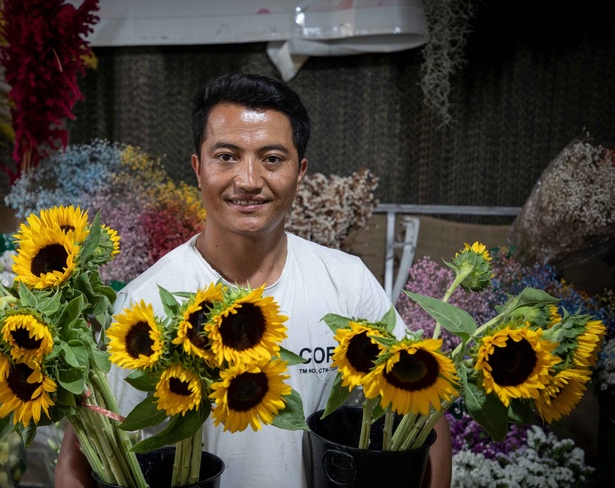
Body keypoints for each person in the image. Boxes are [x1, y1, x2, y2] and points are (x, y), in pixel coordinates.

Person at [55, 72, 452, 488]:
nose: (247, 180)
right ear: (197, 168)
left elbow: (426, 412)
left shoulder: (346, 283)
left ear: (300, 171)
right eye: (226, 156)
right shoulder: (145, 303)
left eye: (272, 158)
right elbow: (83, 455)